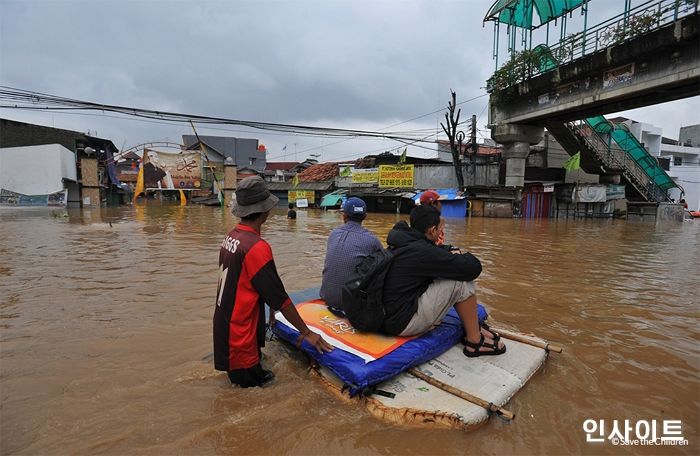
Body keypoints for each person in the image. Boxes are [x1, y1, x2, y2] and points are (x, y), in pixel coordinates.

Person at [213, 176, 332, 388]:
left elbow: (250, 284)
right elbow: (280, 299)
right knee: (260, 392)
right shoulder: (257, 247)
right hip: (240, 336)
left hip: (225, 328)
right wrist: (307, 333)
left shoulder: (231, 237)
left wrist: (269, 313)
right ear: (265, 211)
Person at [381, 204, 506, 357]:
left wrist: (446, 251)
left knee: (447, 273)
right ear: (432, 231)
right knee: (460, 282)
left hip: (388, 317)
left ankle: (472, 329)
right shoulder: (423, 252)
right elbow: (473, 268)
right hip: (401, 324)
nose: (441, 232)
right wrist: (458, 255)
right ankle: (474, 340)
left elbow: (431, 253)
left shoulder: (403, 243)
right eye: (440, 229)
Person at [320, 197, 383, 314]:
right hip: (352, 304)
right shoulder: (372, 240)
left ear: (344, 215)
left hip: (327, 297)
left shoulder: (333, 234)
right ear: (365, 216)